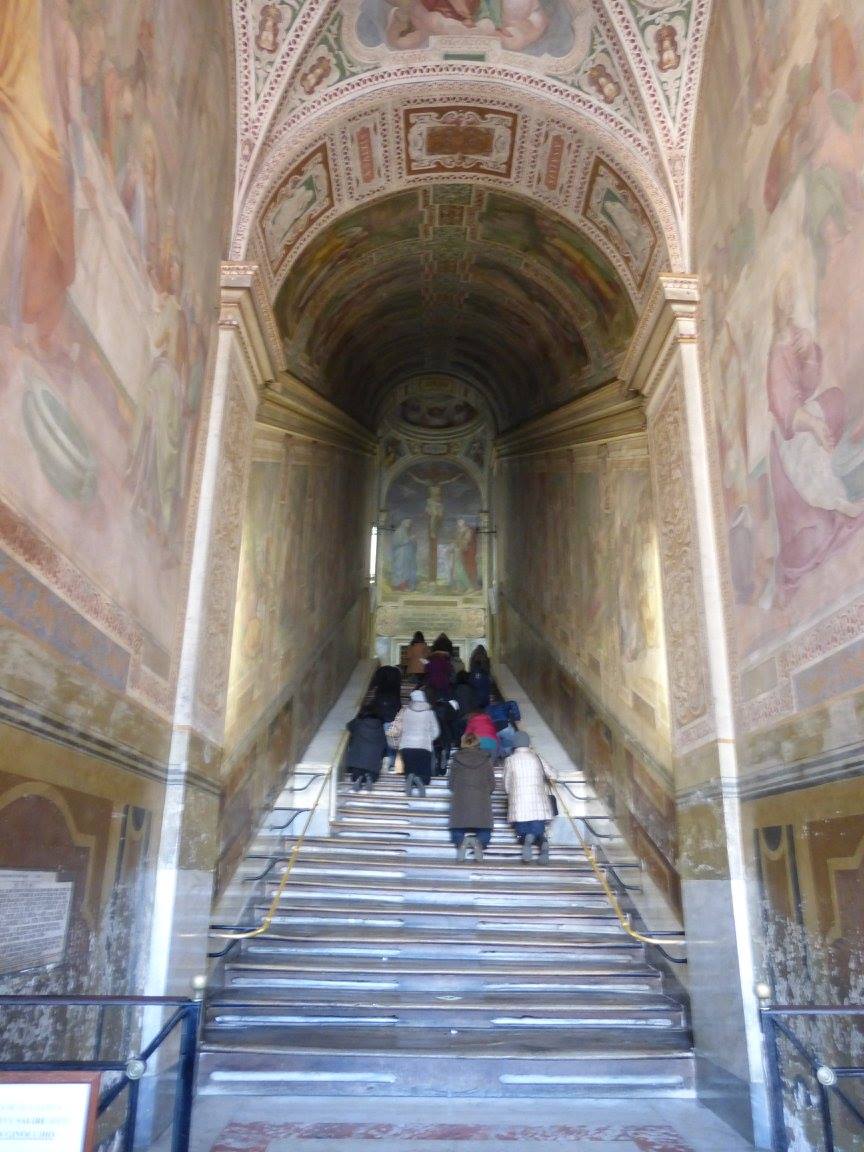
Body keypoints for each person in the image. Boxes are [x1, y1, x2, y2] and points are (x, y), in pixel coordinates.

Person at [504, 732, 555, 865]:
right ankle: (542, 843)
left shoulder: (510, 760)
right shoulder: (537, 757)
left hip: (519, 804)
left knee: (522, 831)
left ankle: (527, 839)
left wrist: (511, 794)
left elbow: (507, 785)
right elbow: (553, 774)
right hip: (538, 803)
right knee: (539, 831)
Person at [448, 733, 495, 864]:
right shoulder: (486, 759)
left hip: (461, 801)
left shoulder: (456, 759)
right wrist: (484, 793)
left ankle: (461, 842)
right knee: (485, 831)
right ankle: (479, 842)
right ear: (478, 742)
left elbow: (451, 784)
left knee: (456, 830)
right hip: (481, 802)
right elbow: (492, 784)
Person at [397, 689, 440, 797]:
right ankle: (419, 779)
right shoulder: (430, 713)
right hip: (423, 745)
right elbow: (436, 731)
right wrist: (429, 738)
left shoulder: (404, 711)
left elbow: (398, 728)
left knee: (410, 768)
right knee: (424, 771)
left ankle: (411, 777)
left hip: (406, 746)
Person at [345, 704, 387, 792]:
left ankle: (358, 778)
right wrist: (382, 755)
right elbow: (384, 742)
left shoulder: (358, 723)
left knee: (357, 770)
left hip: (358, 756)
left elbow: (348, 726)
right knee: (373, 772)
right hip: (373, 759)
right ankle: (370, 777)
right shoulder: (379, 725)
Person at [371, 665, 402, 771]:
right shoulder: (395, 678)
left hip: (379, 708)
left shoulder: (382, 675)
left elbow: (374, 685)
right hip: (391, 710)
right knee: (390, 738)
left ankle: (379, 760)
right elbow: (398, 701)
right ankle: (390, 762)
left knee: (379, 737)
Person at [468, 645, 492, 709]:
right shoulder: (484, 672)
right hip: (484, 699)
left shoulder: (476, 670)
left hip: (477, 699)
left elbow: (474, 683)